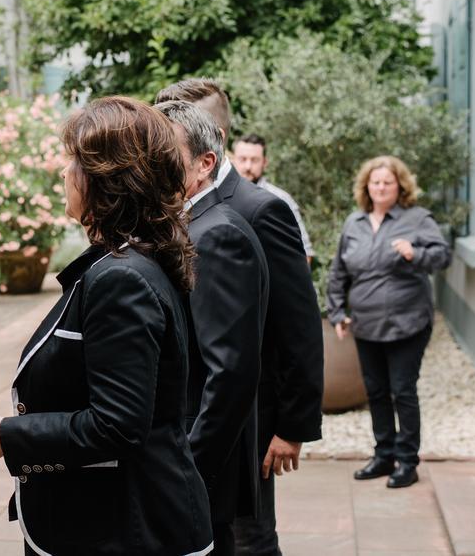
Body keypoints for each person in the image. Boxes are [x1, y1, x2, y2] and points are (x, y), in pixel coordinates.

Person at [0, 97, 214, 556]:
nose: (64, 174)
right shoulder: (129, 261)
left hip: (125, 531)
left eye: (74, 162)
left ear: (108, 181)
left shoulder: (123, 278)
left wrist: (6, 436)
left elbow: (118, 426)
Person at [156, 79, 323, 556]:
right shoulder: (179, 204)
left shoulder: (260, 209)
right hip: (201, 406)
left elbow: (298, 324)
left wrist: (292, 426)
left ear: (211, 139)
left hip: (252, 413)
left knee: (250, 537)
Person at [159, 102, 268, 556]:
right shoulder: (191, 224)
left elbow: (230, 376)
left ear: (204, 164)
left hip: (199, 465)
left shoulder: (216, 235)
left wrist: (189, 470)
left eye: (166, 154)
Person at [326, 155, 451, 489]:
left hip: (408, 323)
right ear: (366, 186)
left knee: (402, 392)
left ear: (400, 186)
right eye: (375, 182)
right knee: (377, 392)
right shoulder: (355, 222)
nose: (380, 187)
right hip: (366, 326)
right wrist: (337, 311)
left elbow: (443, 255)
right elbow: (338, 272)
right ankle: (383, 457)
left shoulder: (417, 219)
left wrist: (416, 253)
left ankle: (407, 462)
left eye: (388, 182)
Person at [232, 134, 314, 261]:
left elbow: (304, 253)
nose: (248, 166)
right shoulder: (218, 195)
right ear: (233, 159)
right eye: (243, 159)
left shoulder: (281, 199)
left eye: (254, 160)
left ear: (265, 163)